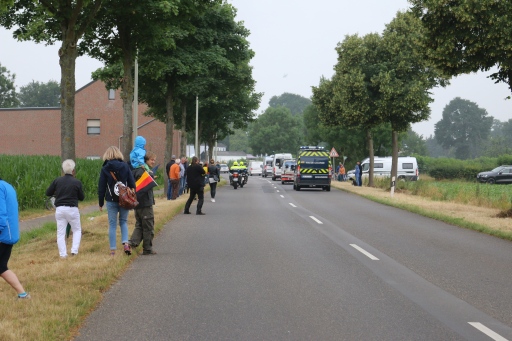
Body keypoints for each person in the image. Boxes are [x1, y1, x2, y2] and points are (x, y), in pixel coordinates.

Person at [98, 146, 136, 256]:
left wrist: (100, 203)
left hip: (111, 200)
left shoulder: (105, 168)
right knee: (123, 221)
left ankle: (113, 250)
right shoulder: (125, 166)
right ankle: (125, 244)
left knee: (112, 224)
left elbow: (102, 187)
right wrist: (133, 196)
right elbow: (132, 183)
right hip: (124, 199)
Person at [45, 159, 85, 258]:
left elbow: (48, 193)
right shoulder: (77, 182)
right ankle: (74, 251)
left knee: (60, 232)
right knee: (77, 230)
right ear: (73, 170)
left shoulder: (57, 181)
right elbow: (82, 197)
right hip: (72, 209)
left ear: (63, 170)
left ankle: (63, 254)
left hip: (60, 209)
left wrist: (57, 192)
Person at [0, 177, 30, 299]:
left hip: (3, 235)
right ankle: (22, 294)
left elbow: (1, 214)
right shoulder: (7, 185)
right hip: (9, 234)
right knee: (1, 267)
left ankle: (22, 294)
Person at [129, 151, 157, 255]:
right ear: (145, 160)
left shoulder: (134, 170)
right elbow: (142, 188)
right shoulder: (143, 171)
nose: (153, 162)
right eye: (151, 160)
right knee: (148, 226)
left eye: (154, 160)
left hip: (137, 203)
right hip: (145, 203)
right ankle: (147, 249)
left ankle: (132, 243)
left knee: (139, 225)